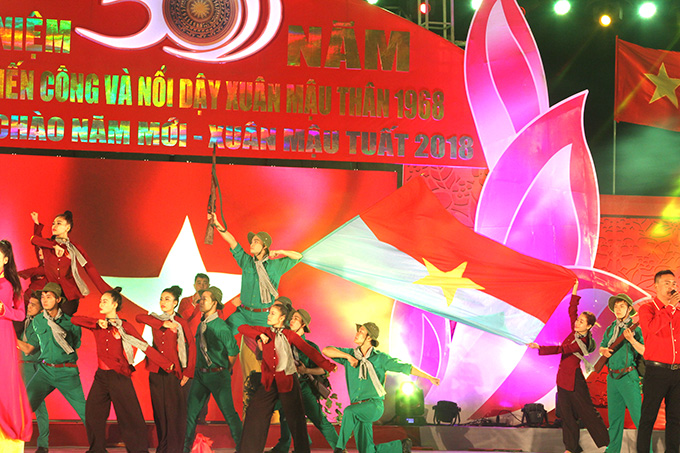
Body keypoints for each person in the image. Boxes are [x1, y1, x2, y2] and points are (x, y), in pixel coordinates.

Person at [72, 287, 177, 453]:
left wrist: (166, 363)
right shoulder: (97, 325)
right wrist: (96, 323)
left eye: (104, 301)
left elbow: (144, 346)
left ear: (114, 304)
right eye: (101, 301)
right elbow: (75, 320)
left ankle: (139, 451)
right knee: (92, 413)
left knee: (130, 417)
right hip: (101, 377)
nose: (101, 303)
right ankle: (97, 450)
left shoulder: (125, 327)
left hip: (119, 376)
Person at [323, 322, 440, 453]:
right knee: (366, 450)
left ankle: (339, 449)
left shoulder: (380, 358)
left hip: (373, 405)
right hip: (358, 409)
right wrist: (348, 357)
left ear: (369, 338)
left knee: (349, 411)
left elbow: (405, 367)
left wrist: (429, 377)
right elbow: (326, 350)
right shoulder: (350, 355)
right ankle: (399, 446)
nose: (357, 334)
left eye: (361, 331)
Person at [238, 303, 336, 453]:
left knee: (296, 421)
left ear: (282, 318)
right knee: (254, 413)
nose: (268, 316)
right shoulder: (265, 332)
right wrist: (259, 335)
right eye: (269, 313)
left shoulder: (290, 336)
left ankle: (305, 450)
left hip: (289, 383)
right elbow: (242, 328)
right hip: (269, 383)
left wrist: (329, 365)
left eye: (272, 314)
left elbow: (310, 352)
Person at [528, 282, 609, 453]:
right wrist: (574, 289)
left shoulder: (582, 342)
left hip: (574, 380)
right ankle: (571, 448)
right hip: (563, 379)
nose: (577, 323)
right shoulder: (575, 332)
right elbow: (572, 310)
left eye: (581, 322)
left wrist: (540, 347)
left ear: (588, 326)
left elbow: (561, 349)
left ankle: (607, 442)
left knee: (587, 412)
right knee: (567, 417)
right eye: (578, 321)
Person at [22, 282, 88, 449]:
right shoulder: (38, 320)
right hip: (44, 371)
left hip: (66, 371)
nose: (44, 300)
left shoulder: (70, 322)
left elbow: (76, 344)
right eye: (42, 297)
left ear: (58, 299)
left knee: (86, 413)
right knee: (24, 408)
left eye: (49, 297)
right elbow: (34, 345)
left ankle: (98, 447)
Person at [270, 308, 340, 453]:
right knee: (286, 416)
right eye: (292, 318)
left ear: (303, 325)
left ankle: (340, 449)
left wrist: (306, 370)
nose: (292, 320)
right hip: (286, 387)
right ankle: (303, 443)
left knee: (319, 420)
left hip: (303, 386)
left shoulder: (310, 347)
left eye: (296, 318)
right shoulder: (284, 341)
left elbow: (323, 369)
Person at [137, 285, 196, 453]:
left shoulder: (181, 322)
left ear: (175, 303)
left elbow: (191, 345)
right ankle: (162, 448)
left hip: (174, 373)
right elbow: (139, 317)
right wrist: (162, 323)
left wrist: (188, 372)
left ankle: (175, 449)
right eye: (162, 298)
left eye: (167, 299)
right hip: (156, 371)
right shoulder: (155, 318)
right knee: (159, 413)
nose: (163, 302)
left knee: (174, 413)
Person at [184, 286, 242, 453]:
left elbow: (233, 351)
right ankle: (184, 449)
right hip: (200, 375)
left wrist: (225, 369)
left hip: (217, 375)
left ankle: (243, 447)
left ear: (215, 303)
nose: (201, 302)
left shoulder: (220, 326)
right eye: (200, 299)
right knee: (190, 414)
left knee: (229, 414)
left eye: (205, 299)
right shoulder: (202, 324)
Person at [30, 210, 111, 315]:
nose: (54, 226)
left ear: (67, 228)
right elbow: (34, 240)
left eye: (59, 223)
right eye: (53, 223)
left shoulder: (74, 248)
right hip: (51, 293)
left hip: (69, 294)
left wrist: (107, 291)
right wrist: (53, 245)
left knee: (66, 322)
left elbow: (89, 268)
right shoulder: (48, 244)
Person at [636, 270, 680, 453]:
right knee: (648, 417)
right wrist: (670, 307)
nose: (672, 287)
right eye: (667, 283)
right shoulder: (647, 308)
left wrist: (674, 308)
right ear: (656, 285)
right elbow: (652, 328)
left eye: (674, 283)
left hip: (677, 372)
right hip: (656, 371)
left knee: (675, 419)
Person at [598, 294, 644, 453]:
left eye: (622, 306)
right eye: (616, 306)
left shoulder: (635, 328)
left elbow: (644, 351)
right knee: (614, 420)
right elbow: (602, 347)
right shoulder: (611, 329)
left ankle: (647, 450)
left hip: (629, 377)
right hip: (612, 378)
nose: (618, 309)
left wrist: (631, 340)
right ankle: (612, 450)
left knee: (640, 418)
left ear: (629, 309)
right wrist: (603, 350)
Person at [0, 239, 32, 451]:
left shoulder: (10, 284)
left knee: (4, 385)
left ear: (5, 259)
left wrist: (4, 310)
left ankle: (9, 435)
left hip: (3, 337)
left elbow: (20, 314)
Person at [15, 293, 50, 453]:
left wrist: (10, 337)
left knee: (38, 407)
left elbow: (29, 349)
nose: (29, 306)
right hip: (18, 367)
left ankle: (43, 444)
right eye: (29, 303)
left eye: (33, 305)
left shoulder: (41, 324)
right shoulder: (26, 322)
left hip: (31, 367)